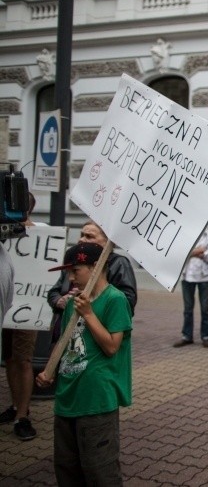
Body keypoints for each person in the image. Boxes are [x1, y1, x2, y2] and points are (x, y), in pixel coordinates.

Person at [36, 242, 133, 486]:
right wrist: (50, 370)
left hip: (96, 400)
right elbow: (64, 342)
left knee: (100, 470)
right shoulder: (73, 302)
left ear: (95, 267)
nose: (70, 277)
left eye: (75, 270)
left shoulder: (115, 299)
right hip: (67, 398)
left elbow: (112, 346)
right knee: (67, 468)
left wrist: (89, 314)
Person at [0, 193, 44, 440]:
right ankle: (16, 406)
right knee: (10, 359)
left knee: (24, 359)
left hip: (28, 308)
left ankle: (23, 415)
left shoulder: (41, 232)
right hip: (6, 306)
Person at [47, 220, 138, 318]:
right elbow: (54, 292)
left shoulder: (118, 263)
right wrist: (59, 301)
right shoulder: (74, 260)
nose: (81, 239)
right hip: (65, 324)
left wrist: (89, 301)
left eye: (89, 236)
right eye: (81, 235)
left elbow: (127, 301)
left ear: (108, 241)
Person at [174, 226, 208, 348]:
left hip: (204, 276)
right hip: (187, 275)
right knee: (187, 308)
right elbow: (179, 253)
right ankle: (187, 336)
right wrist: (197, 251)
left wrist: (191, 252)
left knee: (205, 308)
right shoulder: (184, 234)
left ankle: (206, 336)